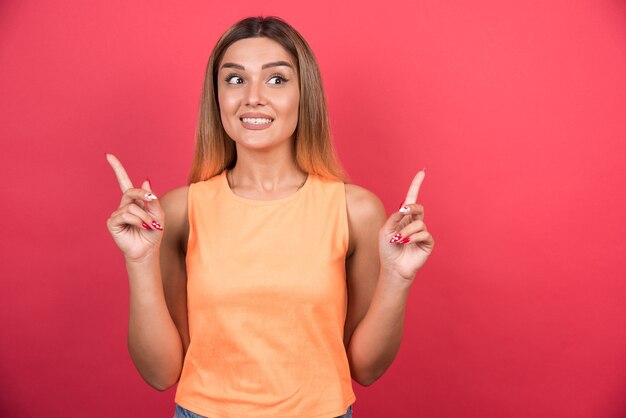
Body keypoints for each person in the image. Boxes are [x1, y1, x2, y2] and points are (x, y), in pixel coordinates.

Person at [106, 16, 434, 418]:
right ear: (217, 96)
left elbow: (365, 369)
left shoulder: (355, 210)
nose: (253, 97)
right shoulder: (177, 212)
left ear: (303, 94)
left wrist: (398, 278)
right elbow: (160, 373)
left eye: (276, 80)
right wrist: (139, 261)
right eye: (235, 79)